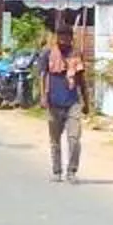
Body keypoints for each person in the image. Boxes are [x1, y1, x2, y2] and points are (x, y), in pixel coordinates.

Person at [41, 27, 88, 182]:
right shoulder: (48, 54)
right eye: (61, 36)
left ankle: (72, 171)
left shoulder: (76, 55)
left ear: (71, 38)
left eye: (67, 36)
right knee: (55, 140)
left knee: (74, 139)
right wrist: (43, 96)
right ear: (57, 37)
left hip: (72, 103)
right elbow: (43, 75)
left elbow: (82, 80)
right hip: (54, 102)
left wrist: (86, 101)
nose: (64, 39)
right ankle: (57, 171)